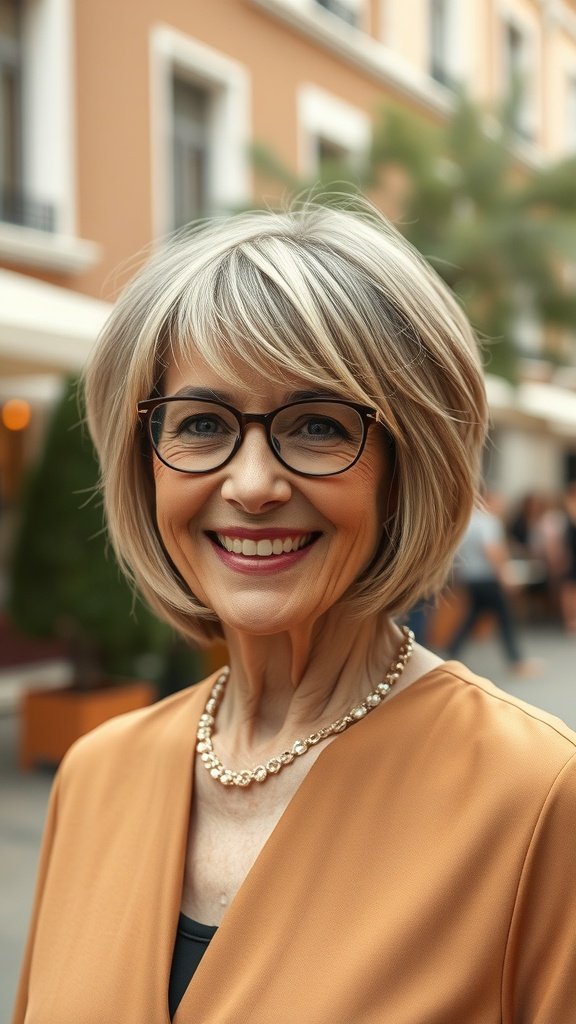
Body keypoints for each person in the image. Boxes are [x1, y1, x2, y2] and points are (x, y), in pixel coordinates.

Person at [12, 203, 576, 1024]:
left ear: (405, 463)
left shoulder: (537, 800)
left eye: (315, 425)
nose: (251, 485)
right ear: (147, 467)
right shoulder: (95, 775)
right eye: (201, 424)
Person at [446, 490, 541, 675]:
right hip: (488, 577)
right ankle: (517, 662)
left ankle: (452, 649)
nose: (502, 506)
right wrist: (505, 575)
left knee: (473, 615)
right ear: (489, 501)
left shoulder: (469, 522)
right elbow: (492, 550)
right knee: (505, 618)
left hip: (471, 577)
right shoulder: (490, 522)